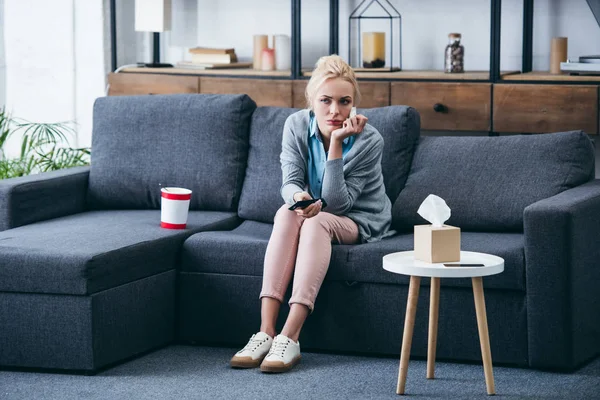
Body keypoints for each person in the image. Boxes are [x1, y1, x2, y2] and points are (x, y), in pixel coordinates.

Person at [230, 55, 393, 373]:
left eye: (344, 101)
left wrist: (336, 143)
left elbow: (339, 204)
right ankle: (265, 331)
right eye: (326, 100)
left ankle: (290, 337)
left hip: (361, 219)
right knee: (286, 214)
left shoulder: (370, 139)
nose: (335, 110)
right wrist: (299, 197)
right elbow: (289, 182)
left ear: (354, 104)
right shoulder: (295, 125)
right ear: (312, 101)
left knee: (316, 222)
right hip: (318, 210)